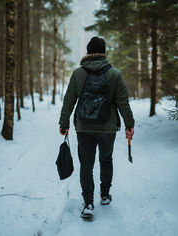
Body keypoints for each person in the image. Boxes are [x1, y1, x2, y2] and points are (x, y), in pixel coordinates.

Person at [59, 36, 134, 219]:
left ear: (88, 52)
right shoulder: (114, 73)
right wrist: (129, 124)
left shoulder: (78, 73)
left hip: (84, 127)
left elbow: (69, 99)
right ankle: (105, 195)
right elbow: (122, 102)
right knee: (106, 160)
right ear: (104, 52)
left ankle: (88, 203)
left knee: (86, 165)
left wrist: (64, 122)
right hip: (107, 128)